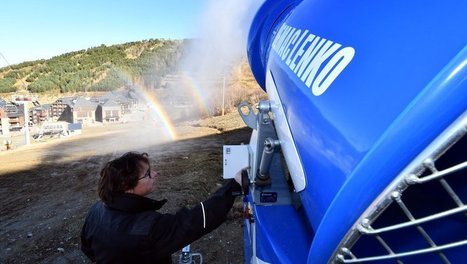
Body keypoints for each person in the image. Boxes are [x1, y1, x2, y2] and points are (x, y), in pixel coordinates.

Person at [81, 151, 243, 264]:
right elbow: (195, 221)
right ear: (127, 185)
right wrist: (233, 186)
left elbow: (88, 249)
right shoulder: (148, 228)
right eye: (148, 173)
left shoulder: (97, 209)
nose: (156, 173)